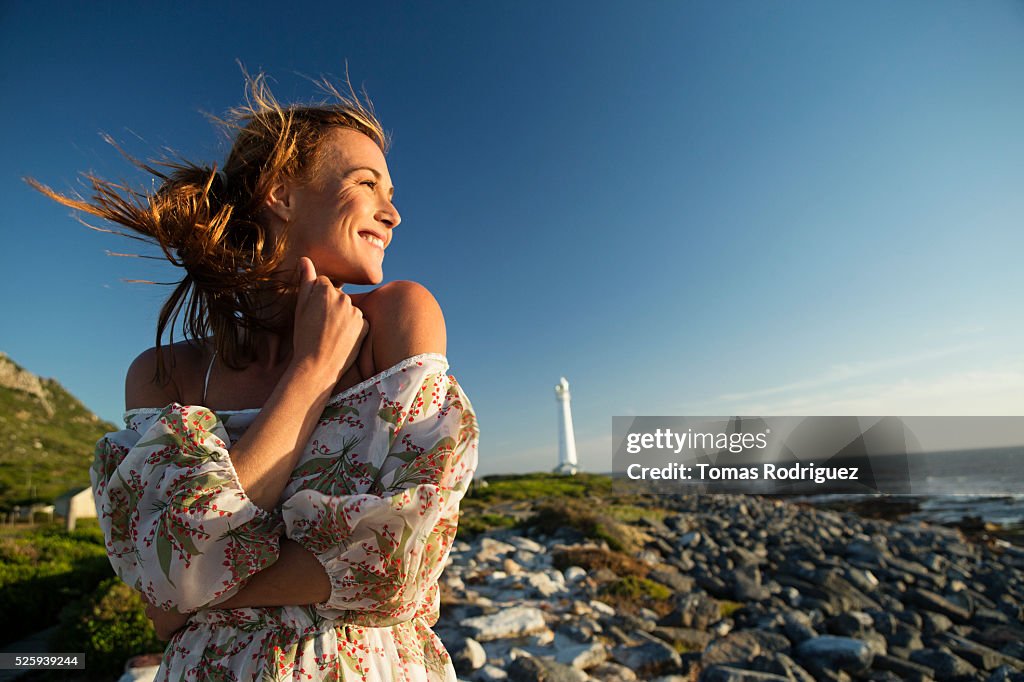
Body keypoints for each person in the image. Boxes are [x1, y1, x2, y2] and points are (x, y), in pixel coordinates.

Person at [32, 73, 479, 681]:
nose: (394, 213)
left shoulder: (398, 320)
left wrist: (199, 584)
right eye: (366, 184)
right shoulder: (167, 374)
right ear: (282, 195)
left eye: (390, 191)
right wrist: (312, 371)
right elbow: (161, 599)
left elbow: (403, 563)